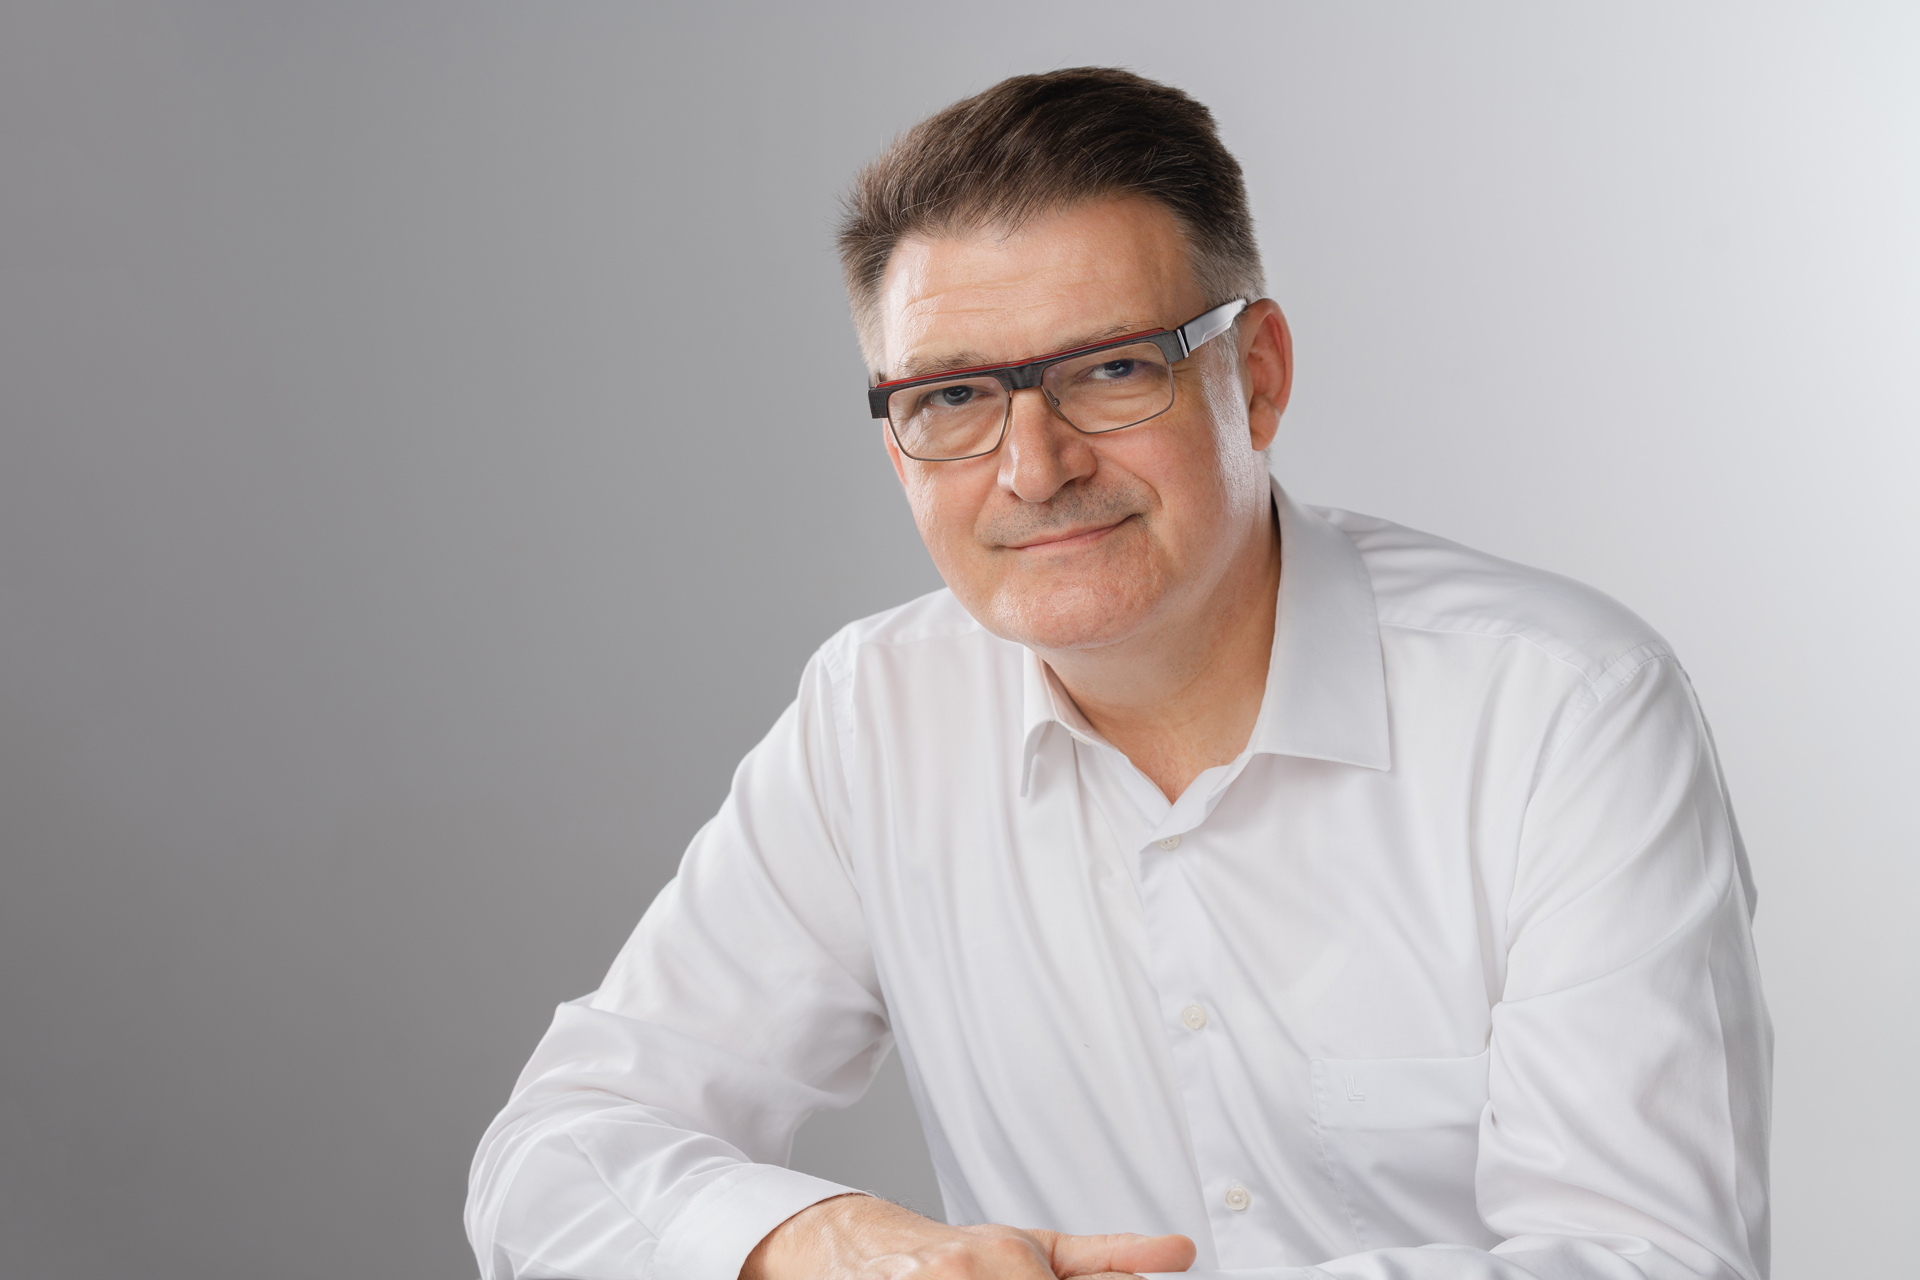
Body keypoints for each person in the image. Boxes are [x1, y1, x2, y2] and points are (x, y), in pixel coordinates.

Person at [464, 68, 1771, 1280]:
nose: (1034, 468)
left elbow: (1650, 1260)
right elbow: (552, 1158)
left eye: (1109, 370)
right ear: (896, 439)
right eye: (952, 398)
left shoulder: (1563, 710)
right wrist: (830, 1245)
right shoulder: (879, 717)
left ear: (1258, 377)